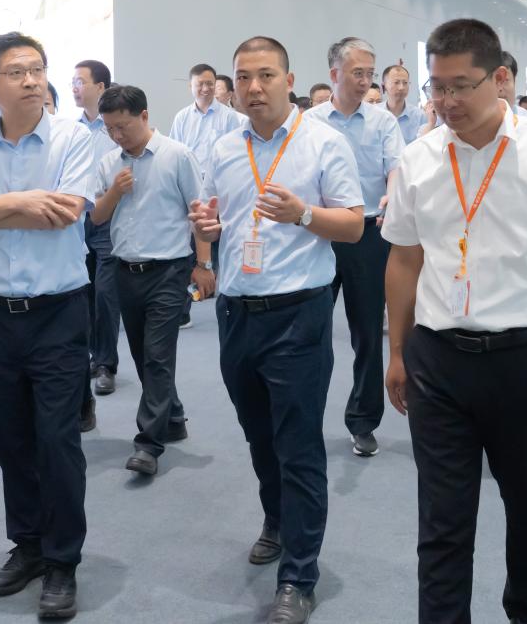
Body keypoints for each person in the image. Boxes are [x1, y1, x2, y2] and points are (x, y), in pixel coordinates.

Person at [383, 18, 527, 624]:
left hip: (524, 361)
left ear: (501, 79)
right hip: (438, 360)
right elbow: (404, 260)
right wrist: (398, 352)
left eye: (461, 85)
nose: (446, 101)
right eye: (437, 87)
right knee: (442, 518)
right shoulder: (418, 158)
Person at [190, 36, 363, 624]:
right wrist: (206, 228)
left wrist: (304, 214)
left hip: (298, 314)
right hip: (236, 314)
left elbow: (354, 226)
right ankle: (277, 518)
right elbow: (213, 219)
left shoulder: (324, 142)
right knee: (260, 436)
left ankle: (298, 576)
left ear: (290, 81)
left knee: (298, 444)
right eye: (243, 77)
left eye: (266, 75)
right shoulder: (224, 147)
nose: (253, 87)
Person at [0, 32, 95, 620]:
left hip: (58, 313)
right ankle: (27, 545)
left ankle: (62, 561)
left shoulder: (73, 138)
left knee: (57, 441)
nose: (31, 80)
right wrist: (22, 202)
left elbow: (65, 213)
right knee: (10, 440)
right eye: (16, 72)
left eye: (37, 69)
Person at [92, 85, 215, 477]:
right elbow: (97, 217)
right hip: (125, 270)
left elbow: (199, 212)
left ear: (144, 116)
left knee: (158, 356)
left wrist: (204, 264)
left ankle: (148, 444)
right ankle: (173, 417)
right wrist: (115, 192)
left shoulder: (176, 155)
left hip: (169, 270)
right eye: (110, 129)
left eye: (123, 127)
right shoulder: (109, 162)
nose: (117, 136)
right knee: (143, 353)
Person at [306, 37, 405, 457]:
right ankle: (304, 417)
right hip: (319, 233)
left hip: (367, 235)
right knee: (311, 331)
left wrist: (392, 196)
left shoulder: (382, 122)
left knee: (366, 333)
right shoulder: (309, 121)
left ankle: (363, 421)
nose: (365, 81)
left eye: (369, 73)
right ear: (334, 74)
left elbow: (396, 168)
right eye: (357, 73)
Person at [169, 63, 243, 327]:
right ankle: (184, 308)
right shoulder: (182, 117)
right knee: (189, 248)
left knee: (225, 243)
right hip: (190, 188)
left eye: (210, 83)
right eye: (200, 83)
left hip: (221, 190)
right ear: (191, 86)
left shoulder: (230, 117)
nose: (205, 88)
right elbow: (176, 152)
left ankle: (228, 295)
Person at [73, 60, 122, 393]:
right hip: (77, 222)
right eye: (72, 82)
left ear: (101, 87)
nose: (74, 87)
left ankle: (106, 363)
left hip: (109, 219)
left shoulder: (115, 129)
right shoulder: (71, 130)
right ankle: (92, 356)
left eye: (81, 81)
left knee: (106, 293)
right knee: (84, 292)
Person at [381, 64, 427, 143]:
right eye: (396, 82)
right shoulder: (375, 114)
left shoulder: (420, 116)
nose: (401, 87)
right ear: (384, 86)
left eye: (405, 83)